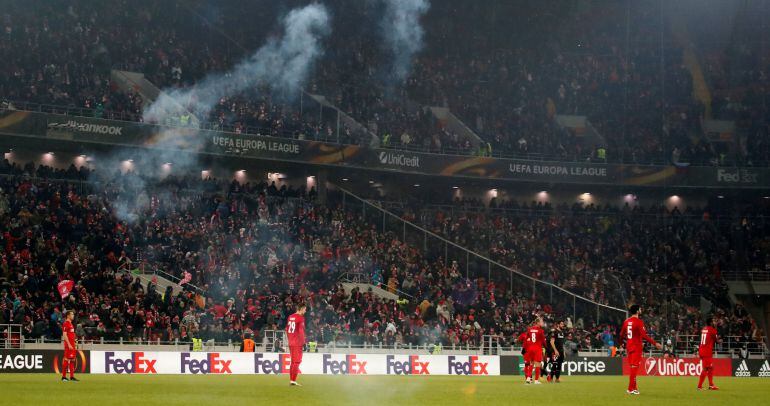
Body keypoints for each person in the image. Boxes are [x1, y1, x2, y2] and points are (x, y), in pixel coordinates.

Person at [620, 305, 662, 395]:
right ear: (637, 311)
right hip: (636, 347)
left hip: (629, 347)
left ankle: (634, 388)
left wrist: (622, 344)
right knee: (634, 369)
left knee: (632, 368)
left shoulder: (626, 321)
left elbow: (621, 334)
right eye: (639, 309)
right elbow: (644, 335)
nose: (641, 310)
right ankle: (630, 389)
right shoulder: (639, 322)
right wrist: (655, 343)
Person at [518, 317, 546, 384]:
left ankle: (528, 378)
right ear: (538, 322)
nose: (543, 323)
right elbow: (543, 341)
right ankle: (536, 380)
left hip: (530, 349)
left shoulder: (530, 329)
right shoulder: (541, 331)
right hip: (537, 348)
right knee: (538, 365)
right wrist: (546, 347)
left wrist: (525, 347)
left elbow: (526, 339)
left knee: (531, 363)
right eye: (542, 322)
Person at [286, 303, 307, 386]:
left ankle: (292, 380)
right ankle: (293, 381)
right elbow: (301, 332)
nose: (305, 311)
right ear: (301, 309)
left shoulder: (290, 317)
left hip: (291, 342)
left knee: (293, 362)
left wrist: (290, 339)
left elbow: (287, 329)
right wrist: (304, 343)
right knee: (297, 362)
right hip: (297, 342)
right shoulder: (300, 318)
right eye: (305, 309)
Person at [697, 317, 720, 391]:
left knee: (710, 368)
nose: (714, 322)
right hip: (707, 351)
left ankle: (711, 385)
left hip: (702, 350)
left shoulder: (704, 329)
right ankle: (699, 386)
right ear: (710, 322)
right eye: (713, 321)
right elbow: (717, 340)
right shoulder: (712, 330)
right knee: (706, 368)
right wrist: (716, 328)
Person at [61, 310, 79, 382]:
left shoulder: (71, 324)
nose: (73, 316)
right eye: (72, 314)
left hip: (72, 345)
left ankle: (71, 377)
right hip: (69, 345)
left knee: (72, 360)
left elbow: (72, 335)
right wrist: (68, 344)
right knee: (66, 359)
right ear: (68, 315)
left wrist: (75, 343)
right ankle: (63, 377)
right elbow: (64, 335)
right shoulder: (66, 323)